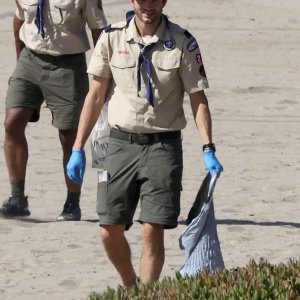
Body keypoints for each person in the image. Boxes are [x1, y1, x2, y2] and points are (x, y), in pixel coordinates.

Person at [67, 0, 223, 286]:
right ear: (132, 2)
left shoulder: (181, 42)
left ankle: (146, 294)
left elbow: (198, 98)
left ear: (164, 1)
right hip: (119, 144)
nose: (147, 5)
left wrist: (208, 147)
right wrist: (77, 147)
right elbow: (95, 95)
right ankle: (131, 286)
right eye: (141, 0)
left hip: (163, 147)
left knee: (152, 230)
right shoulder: (111, 37)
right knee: (108, 229)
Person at [0, 0, 107, 221]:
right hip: (29, 59)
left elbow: (98, 29)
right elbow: (19, 19)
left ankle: (72, 203)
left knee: (69, 136)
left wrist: (104, 74)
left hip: (68, 65)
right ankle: (17, 198)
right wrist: (20, 58)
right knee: (12, 123)